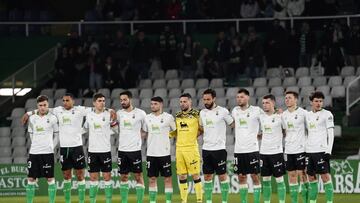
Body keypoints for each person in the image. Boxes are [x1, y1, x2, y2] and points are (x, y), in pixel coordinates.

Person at [200, 89, 234, 203]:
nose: (206, 101)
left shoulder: (223, 111)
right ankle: (209, 201)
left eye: (208, 99)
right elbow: (201, 128)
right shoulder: (202, 113)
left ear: (214, 99)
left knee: (222, 176)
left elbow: (233, 124)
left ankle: (224, 201)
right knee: (207, 177)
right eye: (204, 99)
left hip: (219, 149)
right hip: (206, 149)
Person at [84, 93, 118, 203]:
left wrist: (109, 131)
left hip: (105, 151)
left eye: (103, 100)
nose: (102, 102)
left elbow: (116, 130)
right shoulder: (89, 115)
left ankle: (108, 201)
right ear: (94, 103)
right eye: (99, 100)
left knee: (107, 178)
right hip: (92, 151)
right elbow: (84, 128)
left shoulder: (109, 114)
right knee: (93, 179)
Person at [170, 93, 203, 203]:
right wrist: (167, 135)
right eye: (181, 102)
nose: (182, 104)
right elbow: (177, 131)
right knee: (182, 176)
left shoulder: (197, 114)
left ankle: (199, 200)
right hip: (179, 149)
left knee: (195, 175)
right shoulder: (178, 115)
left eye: (185, 101)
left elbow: (202, 129)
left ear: (190, 102)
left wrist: (194, 135)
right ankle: (183, 200)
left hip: (191, 149)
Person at [231, 88, 262, 203]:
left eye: (242, 97)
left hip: (252, 149)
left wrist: (260, 135)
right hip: (238, 150)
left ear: (248, 97)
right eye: (238, 97)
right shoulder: (235, 110)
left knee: (254, 176)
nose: (239, 99)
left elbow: (267, 119)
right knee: (241, 176)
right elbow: (233, 124)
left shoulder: (256, 110)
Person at [143, 96, 176, 203]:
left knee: (168, 178)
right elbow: (143, 133)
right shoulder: (147, 118)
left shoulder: (169, 117)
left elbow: (176, 132)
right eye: (151, 104)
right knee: (152, 179)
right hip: (151, 153)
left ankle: (168, 201)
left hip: (164, 153)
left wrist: (170, 137)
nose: (152, 106)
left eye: (155, 104)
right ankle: (153, 201)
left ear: (161, 104)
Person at [26, 95, 59, 203]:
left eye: (44, 105)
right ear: (37, 106)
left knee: (50, 178)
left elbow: (57, 134)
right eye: (40, 105)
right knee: (31, 179)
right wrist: (35, 144)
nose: (42, 107)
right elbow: (31, 133)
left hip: (47, 153)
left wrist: (51, 146)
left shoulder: (53, 118)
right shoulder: (32, 118)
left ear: (48, 105)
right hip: (34, 153)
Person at [116, 91, 146, 203]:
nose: (122, 102)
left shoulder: (141, 113)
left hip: (135, 150)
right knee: (123, 177)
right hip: (122, 150)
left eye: (124, 99)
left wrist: (138, 139)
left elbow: (146, 130)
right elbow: (114, 127)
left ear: (130, 99)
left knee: (138, 177)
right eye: (121, 100)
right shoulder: (119, 114)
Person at [305, 91, 334, 203]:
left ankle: (329, 202)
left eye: (321, 101)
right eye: (316, 101)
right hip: (309, 151)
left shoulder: (327, 114)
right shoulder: (307, 115)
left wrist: (328, 150)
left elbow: (330, 133)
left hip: (321, 150)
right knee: (311, 178)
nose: (319, 103)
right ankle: (313, 201)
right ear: (311, 102)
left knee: (325, 177)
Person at [259, 94, 286, 203]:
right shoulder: (261, 117)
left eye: (267, 103)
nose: (265, 105)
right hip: (263, 152)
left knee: (279, 179)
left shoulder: (280, 116)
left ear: (273, 103)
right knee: (265, 180)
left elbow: (286, 131)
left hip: (276, 152)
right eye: (263, 103)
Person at [282, 91, 309, 203]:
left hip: (301, 149)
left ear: (296, 100)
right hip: (288, 150)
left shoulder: (304, 113)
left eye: (289, 98)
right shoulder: (283, 115)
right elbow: (284, 131)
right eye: (286, 98)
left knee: (302, 175)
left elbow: (310, 130)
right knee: (291, 176)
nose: (287, 100)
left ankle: (306, 201)